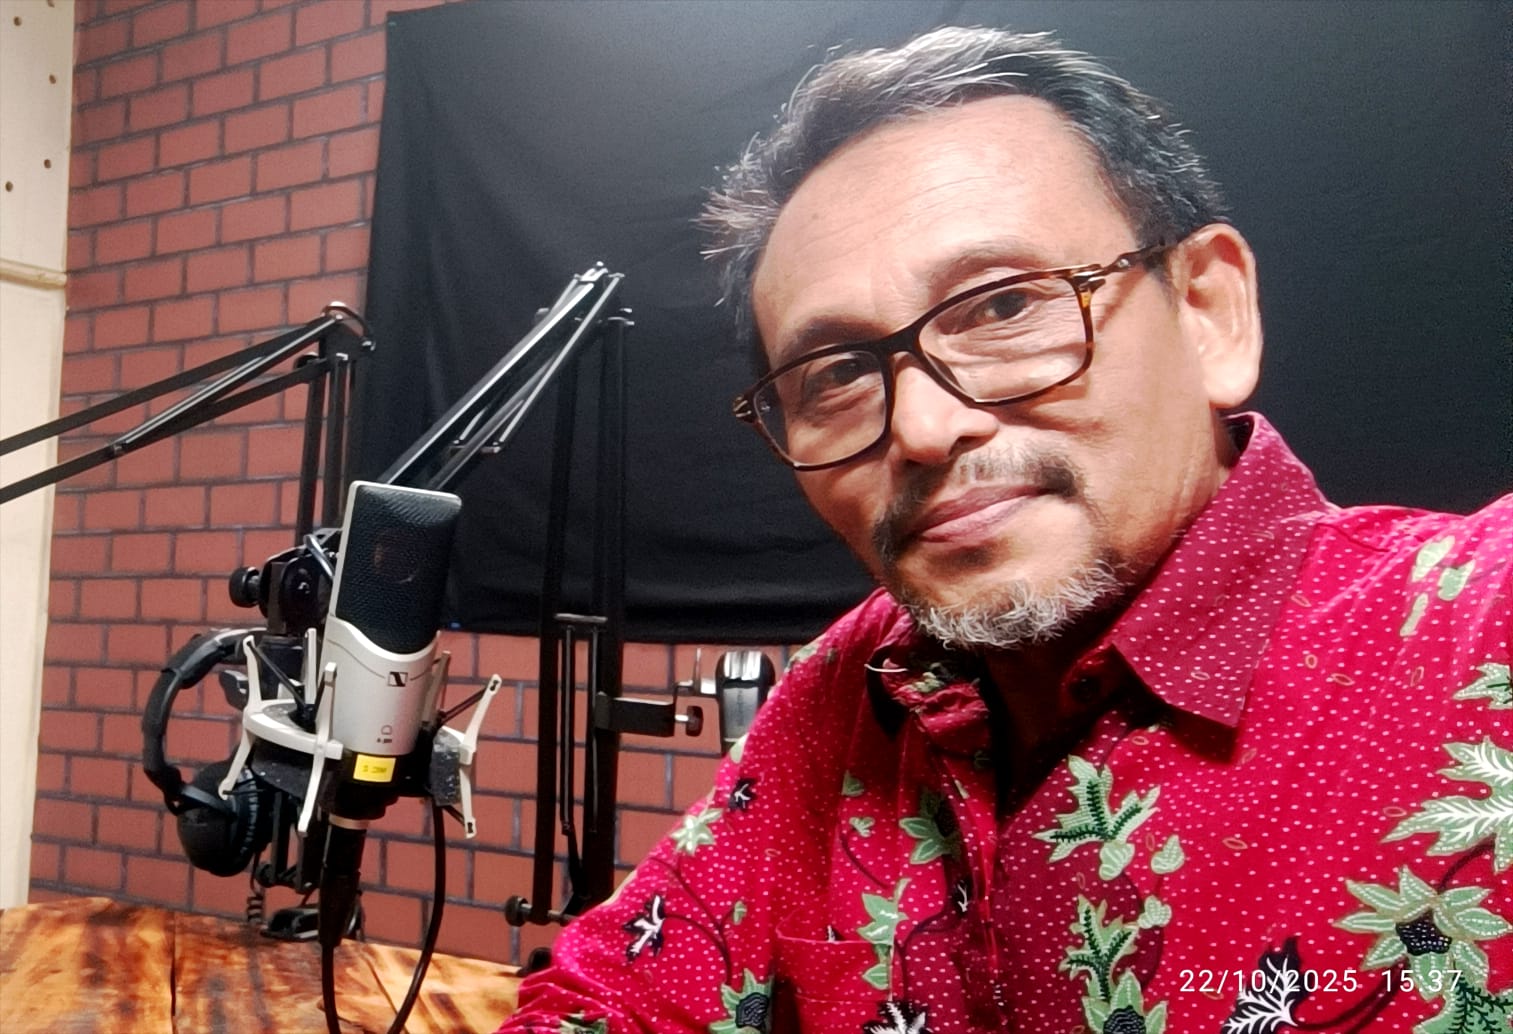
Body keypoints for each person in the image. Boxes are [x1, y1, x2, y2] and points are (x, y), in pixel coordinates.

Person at [499, 26, 1512, 1034]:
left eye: (1002, 307)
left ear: (1208, 312)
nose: (923, 427)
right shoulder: (856, 688)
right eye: (838, 372)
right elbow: (601, 1003)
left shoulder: (1479, 628)